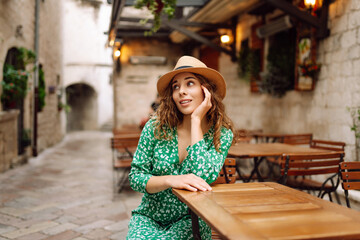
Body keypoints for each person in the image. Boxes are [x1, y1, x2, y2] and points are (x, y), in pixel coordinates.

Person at [127, 56, 234, 239]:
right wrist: (170, 180)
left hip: (190, 218)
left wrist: (196, 120)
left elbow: (203, 176)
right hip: (149, 217)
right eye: (176, 86)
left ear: (206, 90)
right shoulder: (156, 127)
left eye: (189, 83)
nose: (181, 91)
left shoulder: (221, 134)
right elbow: (136, 178)